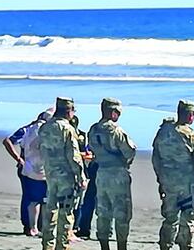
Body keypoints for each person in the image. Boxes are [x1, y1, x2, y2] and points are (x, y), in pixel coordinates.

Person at [153, 99, 194, 250]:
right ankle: (185, 246)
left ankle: (165, 246)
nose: (193, 117)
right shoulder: (192, 137)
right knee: (188, 218)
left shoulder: (163, 132)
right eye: (193, 114)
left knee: (170, 218)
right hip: (189, 186)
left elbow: (156, 160)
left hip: (168, 183)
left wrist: (161, 181)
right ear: (189, 115)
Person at [38, 97, 87, 250]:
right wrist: (81, 177)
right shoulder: (67, 128)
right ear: (68, 111)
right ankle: (62, 245)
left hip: (50, 173)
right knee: (66, 212)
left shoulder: (45, 127)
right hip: (66, 175)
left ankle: (47, 244)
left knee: (50, 209)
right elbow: (74, 156)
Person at [89, 98, 138, 250]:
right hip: (118, 174)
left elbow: (92, 148)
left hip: (101, 173)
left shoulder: (93, 129)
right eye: (117, 112)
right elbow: (129, 151)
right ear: (112, 112)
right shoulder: (116, 131)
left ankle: (104, 245)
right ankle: (121, 246)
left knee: (103, 211)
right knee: (122, 212)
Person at [2, 109, 52, 236]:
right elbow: (7, 141)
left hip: (29, 167)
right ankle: (29, 225)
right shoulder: (29, 130)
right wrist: (19, 158)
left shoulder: (28, 129)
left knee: (33, 197)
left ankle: (33, 225)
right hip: (30, 168)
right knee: (32, 198)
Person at [72, 115, 96, 240]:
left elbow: (89, 152)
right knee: (84, 201)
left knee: (85, 201)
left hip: (88, 170)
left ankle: (81, 227)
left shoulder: (83, 134)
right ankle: (81, 227)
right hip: (83, 170)